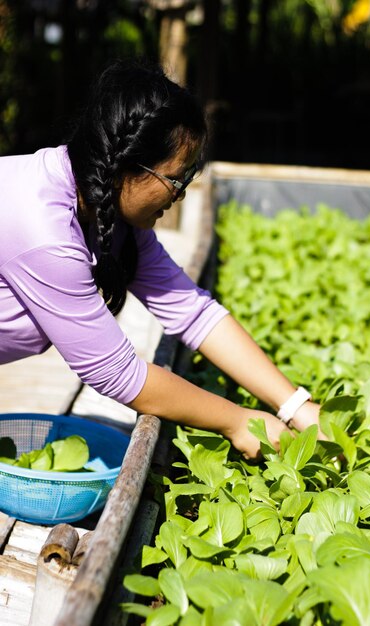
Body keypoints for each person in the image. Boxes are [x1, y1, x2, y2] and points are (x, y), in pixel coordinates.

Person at [0, 58, 320, 460]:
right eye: (177, 178)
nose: (180, 195)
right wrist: (237, 421)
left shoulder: (113, 214)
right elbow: (117, 373)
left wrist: (296, 407)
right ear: (128, 165)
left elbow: (193, 312)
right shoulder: (44, 230)